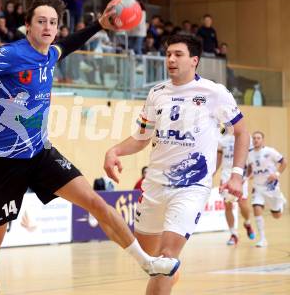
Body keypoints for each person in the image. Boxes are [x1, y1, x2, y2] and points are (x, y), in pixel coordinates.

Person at [0, 0, 179, 295]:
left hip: (39, 153)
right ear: (28, 25)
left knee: (96, 201)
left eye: (53, 22)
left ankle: (147, 262)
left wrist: (99, 24)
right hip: (0, 162)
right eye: (41, 22)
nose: (48, 27)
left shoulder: (49, 55)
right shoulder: (12, 54)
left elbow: (68, 45)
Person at [104, 34, 250, 295]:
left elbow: (242, 132)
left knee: (164, 259)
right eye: (168, 54)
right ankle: (170, 271)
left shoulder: (214, 93)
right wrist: (115, 150)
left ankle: (168, 268)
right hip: (155, 185)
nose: (170, 59)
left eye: (178, 54)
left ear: (194, 60)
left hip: (191, 185)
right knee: (149, 257)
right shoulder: (156, 93)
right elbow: (141, 138)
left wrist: (237, 174)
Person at [247, 131, 287, 247]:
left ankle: (280, 203)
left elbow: (284, 162)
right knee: (256, 207)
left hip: (271, 186)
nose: (256, 140)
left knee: (276, 215)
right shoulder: (249, 154)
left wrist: (277, 174)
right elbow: (250, 168)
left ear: (262, 140)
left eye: (258, 138)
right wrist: (247, 176)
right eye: (254, 138)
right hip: (257, 186)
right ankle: (263, 239)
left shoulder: (270, 151)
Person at [215, 127, 255, 245]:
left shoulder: (247, 137)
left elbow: (251, 162)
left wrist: (247, 176)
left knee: (242, 204)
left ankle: (247, 222)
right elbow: (218, 160)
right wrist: (212, 173)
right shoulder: (222, 139)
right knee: (227, 205)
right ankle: (233, 234)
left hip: (240, 174)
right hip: (226, 174)